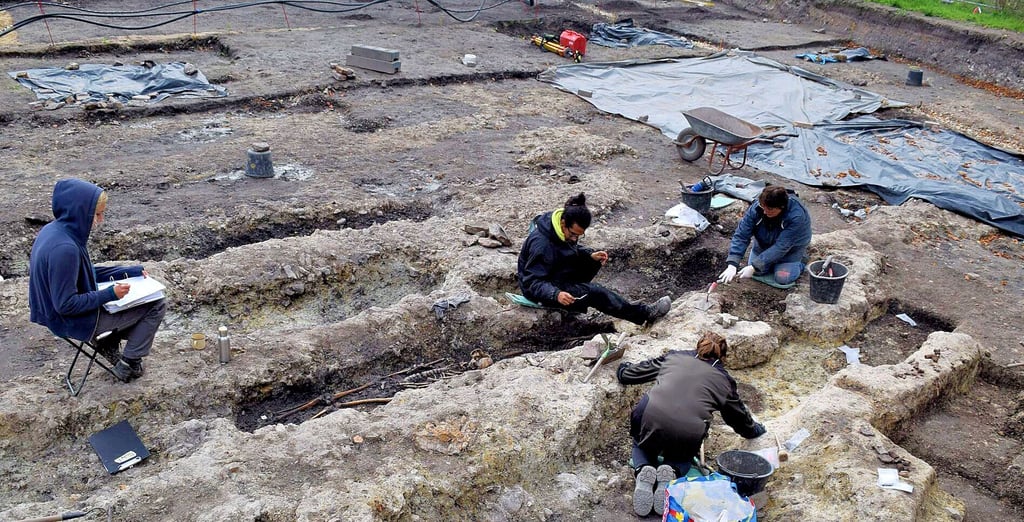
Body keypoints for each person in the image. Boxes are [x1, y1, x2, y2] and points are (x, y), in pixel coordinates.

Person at [29, 178, 166, 383]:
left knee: (140, 303)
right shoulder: (65, 249)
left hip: (54, 312)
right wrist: (110, 294)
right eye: (97, 214)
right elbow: (66, 305)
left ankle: (109, 343)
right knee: (156, 303)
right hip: (72, 320)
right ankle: (128, 363)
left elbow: (84, 273)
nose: (100, 220)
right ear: (80, 212)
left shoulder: (56, 231)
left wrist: (129, 272)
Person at [617, 332, 765, 517]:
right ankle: (671, 471)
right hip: (686, 432)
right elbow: (738, 418)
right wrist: (755, 430)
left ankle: (643, 470)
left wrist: (623, 369)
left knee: (641, 443)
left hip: (648, 417)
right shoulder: (724, 380)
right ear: (723, 357)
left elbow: (633, 374)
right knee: (683, 457)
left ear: (697, 347)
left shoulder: (675, 357)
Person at [517, 193, 671, 325]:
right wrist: (555, 294)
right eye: (573, 234)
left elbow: (564, 250)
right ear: (563, 223)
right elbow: (532, 282)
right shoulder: (541, 245)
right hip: (539, 290)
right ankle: (644, 315)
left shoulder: (559, 226)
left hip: (553, 274)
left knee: (591, 261)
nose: (575, 238)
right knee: (596, 293)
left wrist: (589, 254)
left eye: (579, 235)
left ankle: (575, 300)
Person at [718, 185, 812, 287]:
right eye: (763, 207)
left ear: (782, 207)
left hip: (790, 249)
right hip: (764, 244)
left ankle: (801, 259)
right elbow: (741, 235)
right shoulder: (757, 208)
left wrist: (755, 266)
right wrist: (733, 263)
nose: (765, 212)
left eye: (770, 209)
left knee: (782, 278)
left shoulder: (796, 216)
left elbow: (782, 246)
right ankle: (768, 262)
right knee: (757, 271)